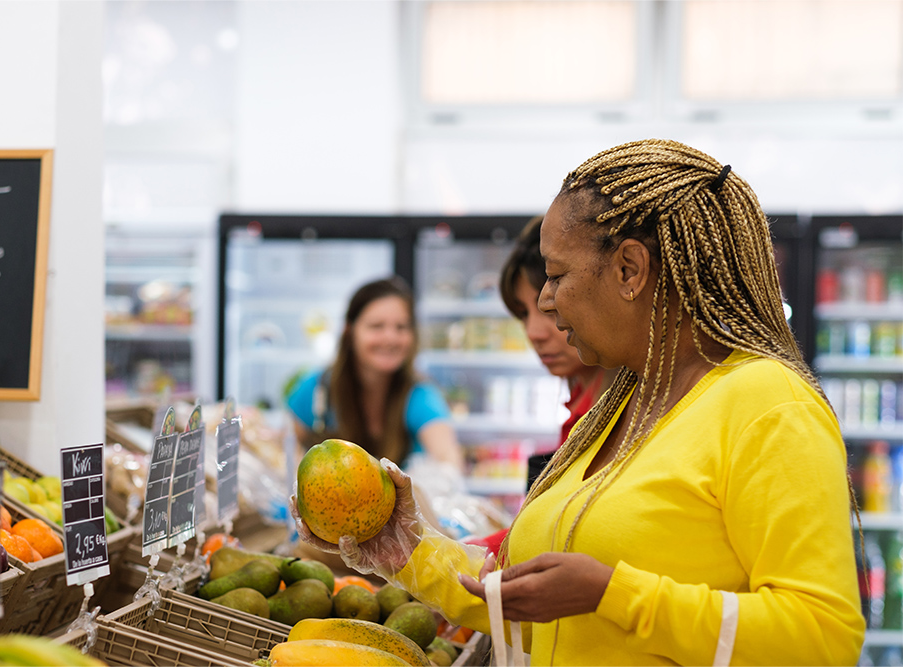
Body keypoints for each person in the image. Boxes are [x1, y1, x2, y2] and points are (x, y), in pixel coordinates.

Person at [292, 139, 865, 665]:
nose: (544, 300)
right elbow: (538, 621)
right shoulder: (623, 404)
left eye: (557, 275)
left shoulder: (769, 404)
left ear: (630, 269)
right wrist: (407, 550)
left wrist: (612, 593)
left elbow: (823, 636)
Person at [285, 276, 464, 472]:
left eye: (401, 327)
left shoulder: (419, 394)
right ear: (350, 331)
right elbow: (283, 449)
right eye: (376, 326)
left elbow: (448, 459)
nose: (390, 338)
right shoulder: (317, 389)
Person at [498, 214, 617, 488]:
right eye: (523, 313)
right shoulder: (581, 404)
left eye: (550, 310)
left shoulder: (620, 412)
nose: (533, 333)